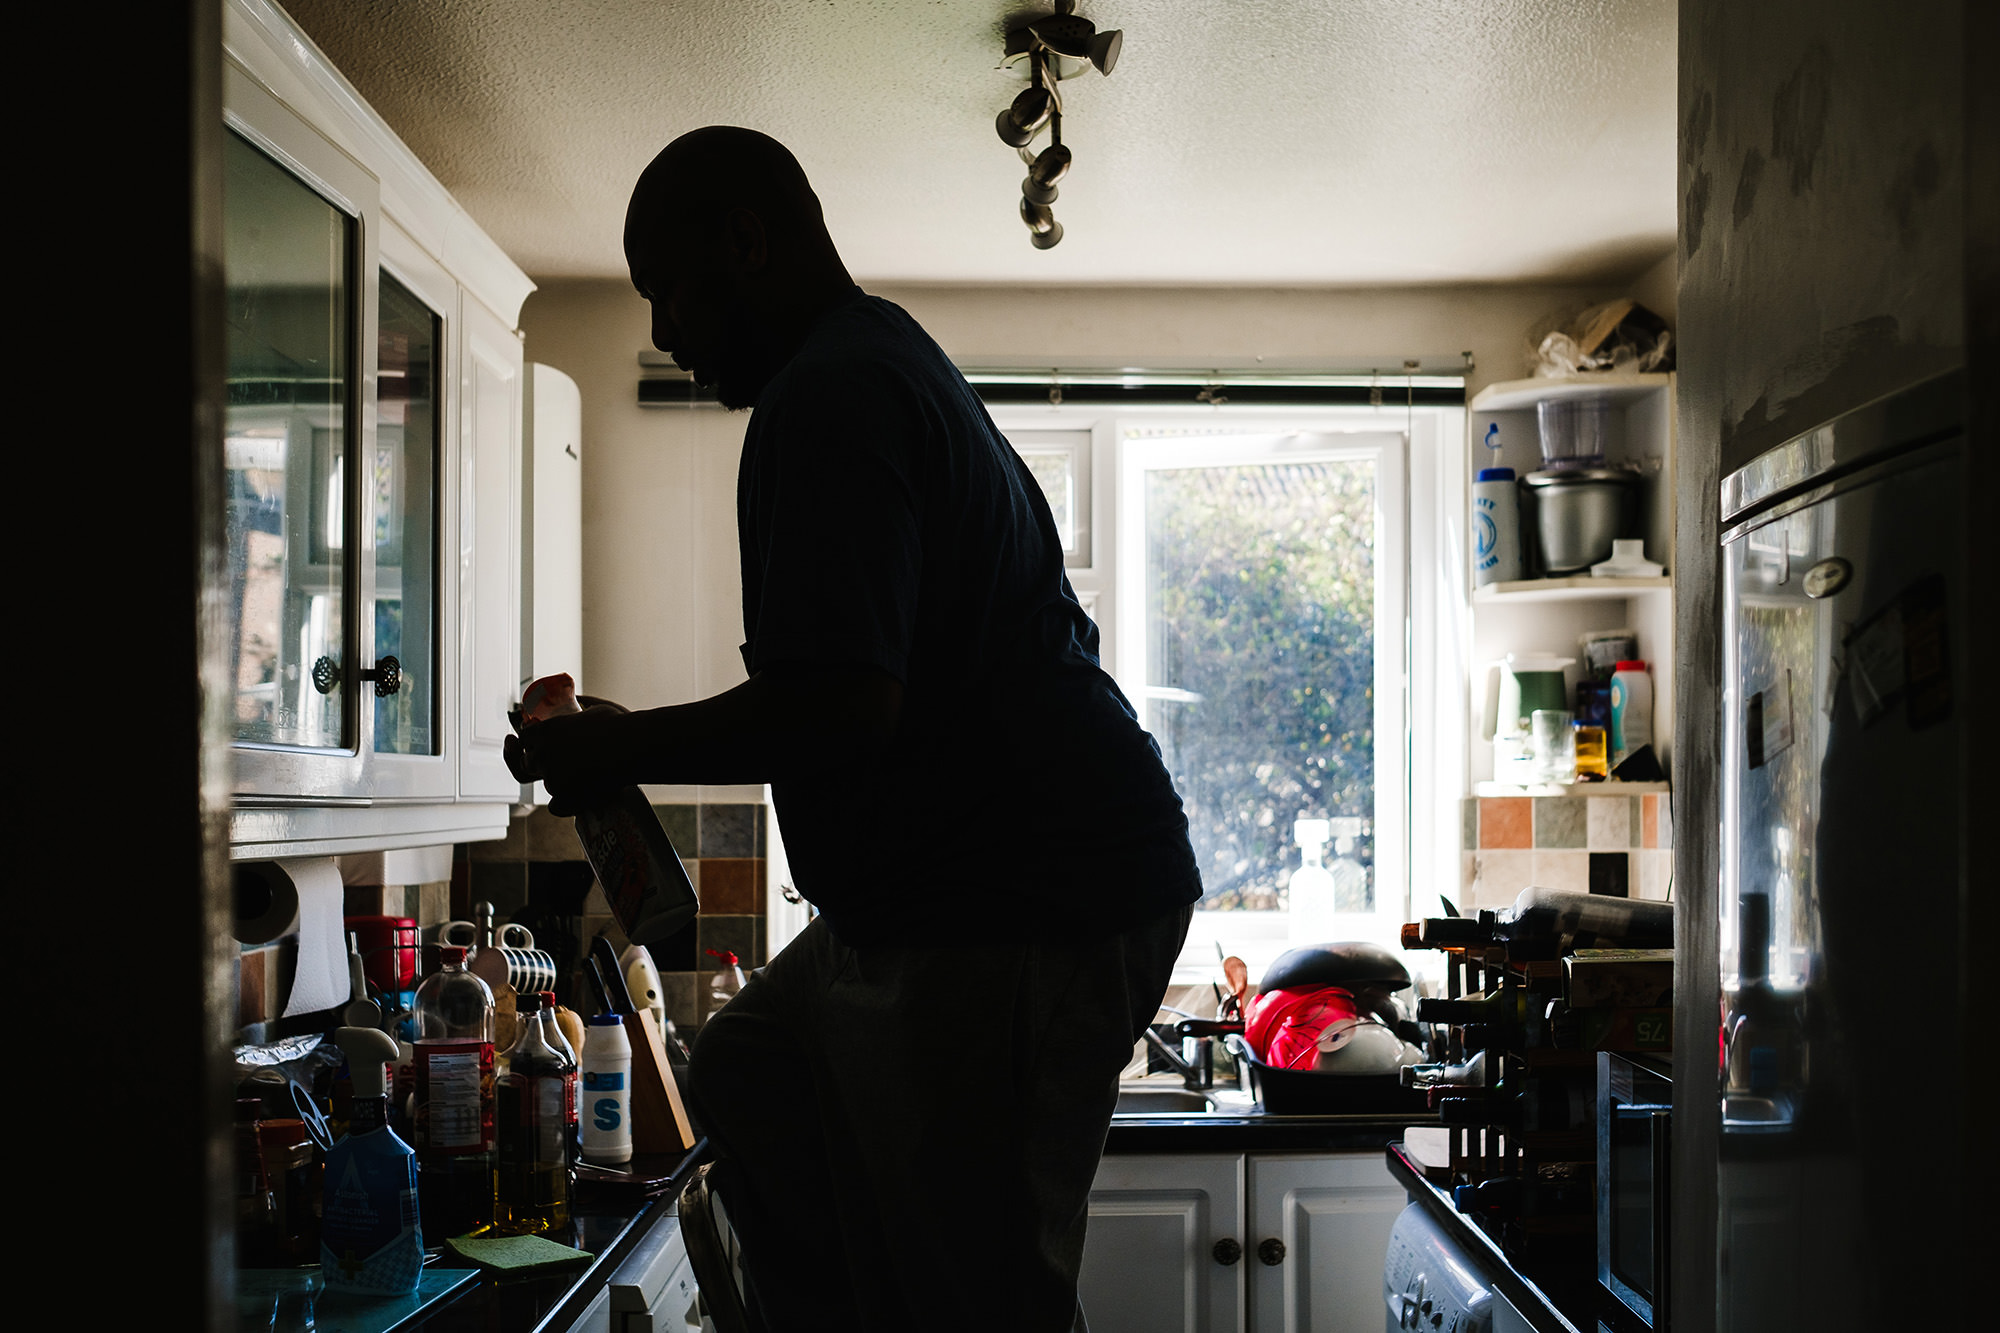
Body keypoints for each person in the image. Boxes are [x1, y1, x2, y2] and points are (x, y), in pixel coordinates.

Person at [510, 126, 1201, 1333]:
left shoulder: (834, 392)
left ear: (745, 242)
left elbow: (839, 706)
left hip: (1021, 903)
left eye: (666, 289)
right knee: (749, 1069)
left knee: (982, 1294)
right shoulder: (866, 369)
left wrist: (618, 754)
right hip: (943, 901)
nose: (662, 330)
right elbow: (840, 688)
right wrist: (633, 746)